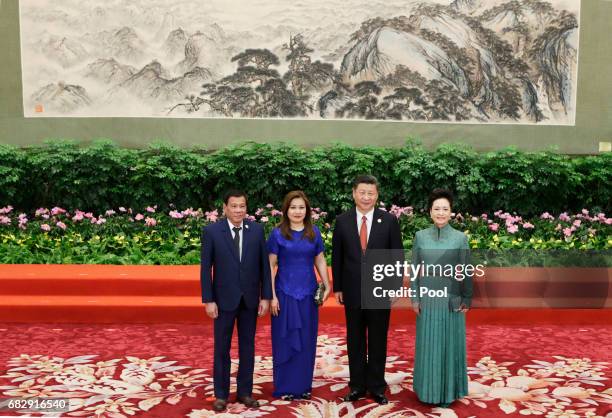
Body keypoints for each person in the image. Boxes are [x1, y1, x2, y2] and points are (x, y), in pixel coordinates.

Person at [332, 175, 403, 405]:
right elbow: (338, 256)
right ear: (354, 193)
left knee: (377, 339)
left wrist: (394, 288)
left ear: (377, 195)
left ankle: (377, 387)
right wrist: (338, 287)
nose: (366, 197)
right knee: (355, 340)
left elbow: (396, 256)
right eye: (362, 192)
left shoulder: (389, 220)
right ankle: (357, 386)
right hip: (351, 290)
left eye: (370, 193)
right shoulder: (342, 221)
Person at [200, 189, 272, 412]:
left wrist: (266, 296)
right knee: (222, 348)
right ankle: (221, 394)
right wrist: (208, 299)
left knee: (247, 348)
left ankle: (244, 392)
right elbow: (205, 269)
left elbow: (264, 267)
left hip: (250, 300)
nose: (238, 210)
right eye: (234, 206)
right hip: (223, 300)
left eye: (242, 206)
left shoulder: (257, 231)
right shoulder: (212, 232)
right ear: (225, 208)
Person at [410, 188, 473, 408]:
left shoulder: (460, 238)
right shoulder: (420, 236)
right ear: (430, 212)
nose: (441, 212)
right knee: (429, 344)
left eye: (445, 209)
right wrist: (415, 298)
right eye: (436, 208)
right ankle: (426, 390)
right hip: (427, 299)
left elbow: (466, 270)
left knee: (449, 344)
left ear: (451, 212)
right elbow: (414, 270)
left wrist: (467, 297)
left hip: (451, 301)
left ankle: (449, 392)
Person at [267, 190, 331, 400]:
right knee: (284, 340)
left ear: (307, 210)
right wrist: (272, 295)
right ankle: (284, 387)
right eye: (293, 207)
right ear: (286, 210)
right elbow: (270, 265)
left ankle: (303, 386)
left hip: (308, 294)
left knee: (306, 340)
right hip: (284, 295)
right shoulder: (277, 233)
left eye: (301, 207)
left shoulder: (314, 232)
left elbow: (319, 259)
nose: (297, 211)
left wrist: (327, 283)